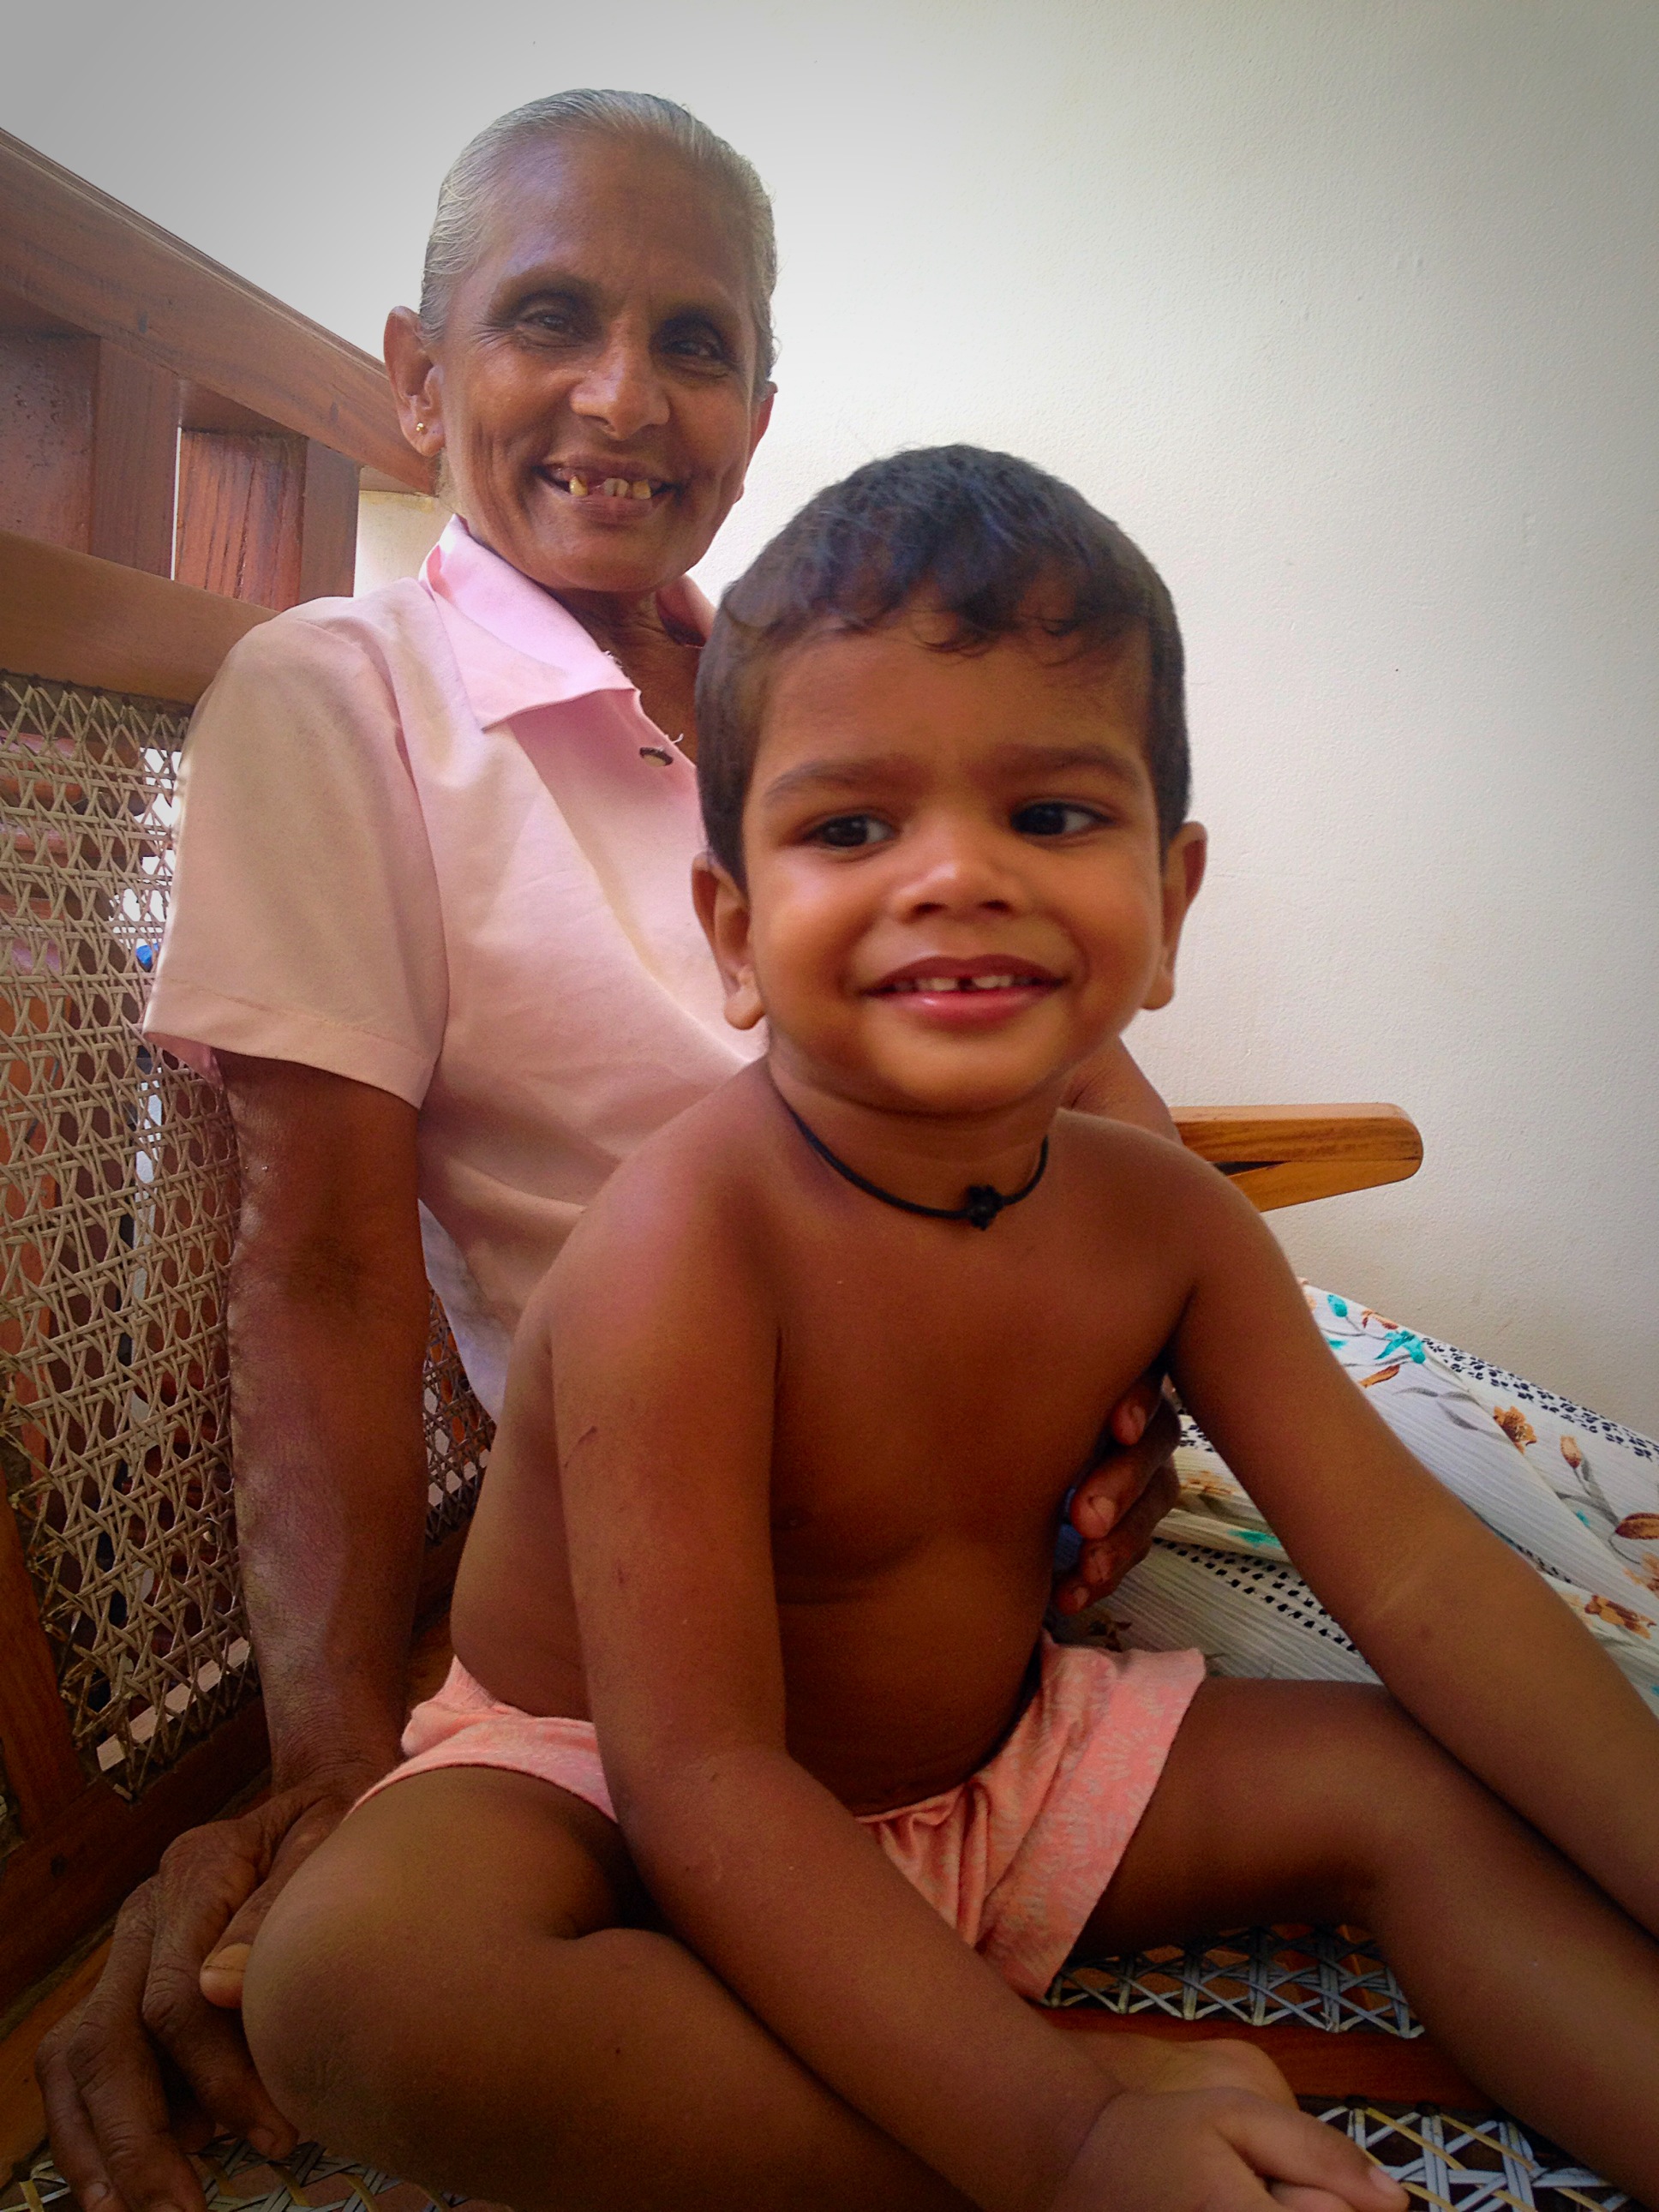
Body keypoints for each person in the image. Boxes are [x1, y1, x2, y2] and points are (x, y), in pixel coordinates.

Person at [239, 447, 1659, 2212]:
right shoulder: (684, 1249)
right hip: (614, 1803)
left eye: (1051, 816)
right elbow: (702, 1775)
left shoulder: (1173, 1230)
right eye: (851, 827)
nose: (957, 875)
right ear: (734, 930)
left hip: (1007, 1770)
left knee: (1411, 1777)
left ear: (1168, 906)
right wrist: (1065, 2138)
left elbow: (1422, 1580)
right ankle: (1057, 2124)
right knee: (357, 1981)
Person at [36, 93, 1179, 2212]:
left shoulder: (807, 687)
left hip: (993, 1516)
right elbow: (321, 1267)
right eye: (547, 318)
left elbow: (1090, 1094)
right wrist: (333, 1765)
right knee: (398, 1984)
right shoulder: (344, 691)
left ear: (760, 410)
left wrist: (1147, 1395)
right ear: (416, 371)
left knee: (1466, 1710)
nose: (622, 396)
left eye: (696, 341)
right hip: (713, 1572)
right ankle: (1085, 2139)